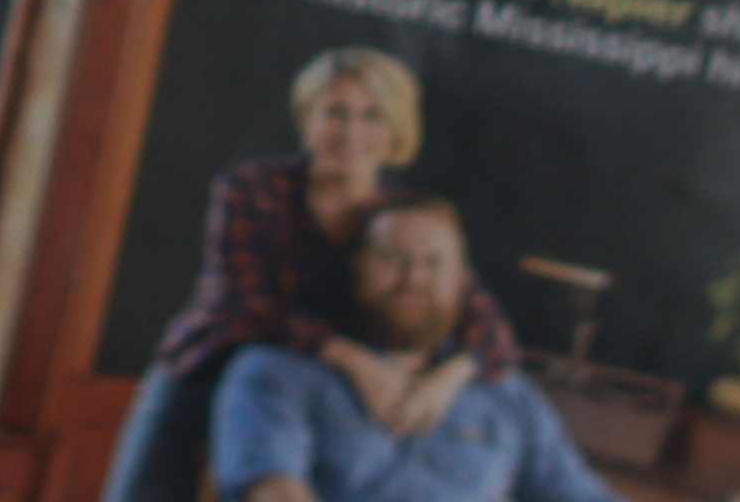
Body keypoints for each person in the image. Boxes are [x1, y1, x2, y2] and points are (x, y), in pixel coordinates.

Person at [102, 50, 523, 502]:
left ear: (396, 128)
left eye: (372, 116)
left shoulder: (404, 217)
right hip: (210, 369)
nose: (351, 132)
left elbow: (492, 330)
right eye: (335, 113)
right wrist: (352, 359)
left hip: (317, 393)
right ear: (307, 118)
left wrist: (448, 380)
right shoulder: (250, 188)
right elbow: (244, 302)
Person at [216, 197, 624, 502]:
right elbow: (273, 491)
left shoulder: (505, 392)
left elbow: (576, 493)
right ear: (357, 267)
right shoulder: (277, 373)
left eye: (434, 263)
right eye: (394, 258)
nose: (413, 277)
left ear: (462, 280)